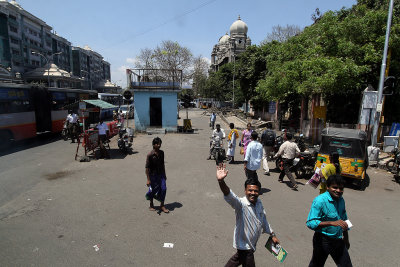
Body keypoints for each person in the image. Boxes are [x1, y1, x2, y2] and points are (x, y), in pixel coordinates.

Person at [216, 164, 280, 267]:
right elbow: (230, 195)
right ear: (245, 191)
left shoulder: (259, 203)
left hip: (252, 243)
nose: (253, 193)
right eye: (250, 190)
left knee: (236, 260)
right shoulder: (241, 204)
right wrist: (221, 181)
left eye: (255, 191)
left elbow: (263, 219)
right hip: (244, 245)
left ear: (259, 192)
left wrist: (272, 234)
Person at [306, 175, 352, 267]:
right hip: (322, 240)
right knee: (316, 264)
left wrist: (346, 238)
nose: (338, 191)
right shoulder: (320, 201)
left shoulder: (341, 200)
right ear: (328, 187)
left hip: (338, 240)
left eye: (341, 188)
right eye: (335, 187)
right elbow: (310, 222)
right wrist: (331, 223)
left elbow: (344, 219)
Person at [145, 137, 169, 213]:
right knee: (152, 190)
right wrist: (148, 179)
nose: (159, 145)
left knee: (164, 189)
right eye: (157, 144)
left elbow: (162, 164)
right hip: (153, 175)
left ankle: (162, 205)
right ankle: (151, 204)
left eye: (160, 144)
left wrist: (164, 174)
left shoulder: (162, 153)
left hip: (161, 174)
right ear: (153, 144)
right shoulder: (150, 155)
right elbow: (147, 168)